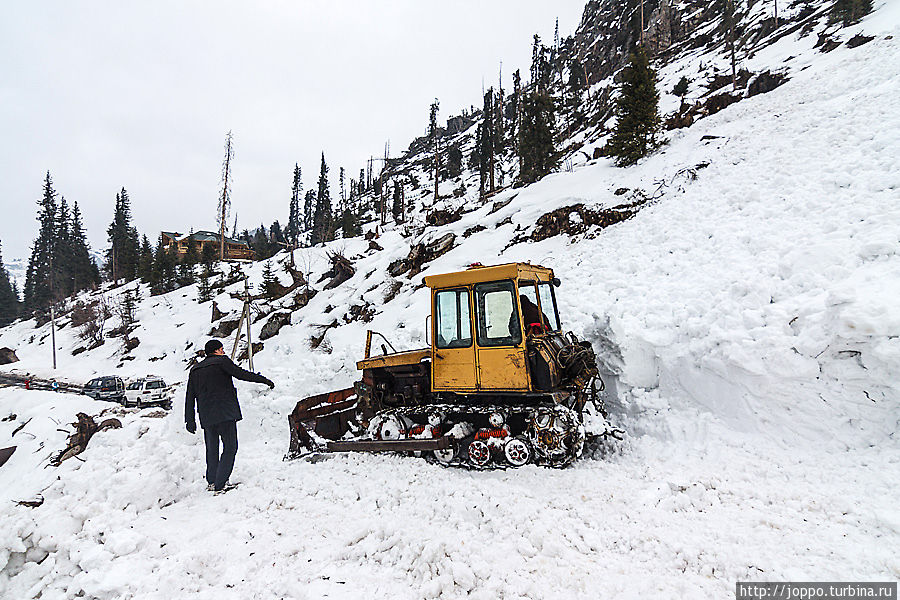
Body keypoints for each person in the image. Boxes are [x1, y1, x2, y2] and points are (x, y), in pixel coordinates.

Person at [185, 339, 275, 493]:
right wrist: (263, 380)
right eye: (221, 349)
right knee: (230, 447)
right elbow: (241, 374)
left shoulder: (195, 370)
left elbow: (190, 396)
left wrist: (189, 420)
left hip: (206, 416)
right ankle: (221, 484)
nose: (223, 352)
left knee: (211, 449)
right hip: (225, 413)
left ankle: (212, 481)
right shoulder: (221, 362)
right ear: (217, 350)